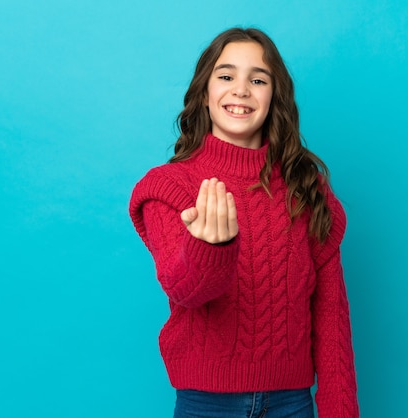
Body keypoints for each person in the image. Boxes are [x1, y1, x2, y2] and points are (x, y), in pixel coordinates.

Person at [129, 27, 359, 418]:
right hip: (206, 405)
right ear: (204, 93)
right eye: (226, 76)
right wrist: (210, 248)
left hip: (293, 403)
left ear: (275, 97)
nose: (241, 90)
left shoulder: (306, 188)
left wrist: (341, 412)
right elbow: (184, 289)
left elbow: (331, 313)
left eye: (257, 79)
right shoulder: (168, 186)